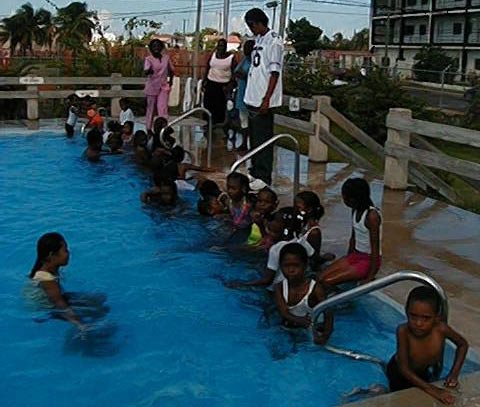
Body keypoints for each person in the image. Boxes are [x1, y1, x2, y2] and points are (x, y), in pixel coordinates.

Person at [386, 286, 468, 405]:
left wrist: (454, 374)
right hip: (399, 373)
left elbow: (463, 345)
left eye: (426, 318)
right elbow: (403, 368)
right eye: (413, 316)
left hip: (422, 372)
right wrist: (433, 389)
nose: (418, 323)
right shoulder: (403, 331)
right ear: (406, 312)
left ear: (436, 317)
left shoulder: (441, 329)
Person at [244, 8, 284, 190]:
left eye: (251, 25)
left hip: (263, 98)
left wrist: (267, 99)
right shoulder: (258, 40)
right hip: (252, 96)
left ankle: (264, 175)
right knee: (254, 138)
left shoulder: (274, 41)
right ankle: (255, 170)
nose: (250, 29)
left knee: (264, 138)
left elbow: (274, 73)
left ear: (259, 23)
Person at [319, 178, 382, 288]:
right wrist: (348, 259)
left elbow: (375, 249)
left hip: (367, 260)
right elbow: (353, 238)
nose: (343, 200)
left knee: (327, 281)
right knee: (320, 277)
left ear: (353, 199)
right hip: (356, 255)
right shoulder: (355, 210)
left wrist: (370, 277)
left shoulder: (372, 216)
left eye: (345, 197)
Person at [274, 243, 333, 345]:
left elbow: (328, 313)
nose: (291, 270)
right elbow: (283, 312)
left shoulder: (315, 288)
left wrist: (325, 336)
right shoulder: (279, 287)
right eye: (286, 266)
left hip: (314, 328)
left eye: (296, 266)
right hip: (292, 325)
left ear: (305, 266)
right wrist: (300, 320)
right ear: (280, 266)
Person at [29, 233, 84, 329]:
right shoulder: (47, 280)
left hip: (49, 301)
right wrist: (80, 325)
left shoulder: (46, 269)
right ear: (51, 255)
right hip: (44, 311)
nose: (68, 253)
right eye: (65, 250)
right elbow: (61, 306)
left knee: (97, 301)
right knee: (94, 314)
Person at [294, 191, 335, 271]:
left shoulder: (314, 232)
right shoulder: (302, 223)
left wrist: (324, 258)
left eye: (298, 207)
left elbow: (314, 259)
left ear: (309, 209)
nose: (296, 210)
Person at [203, 38, 236, 125]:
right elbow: (207, 67)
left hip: (223, 85)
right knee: (208, 104)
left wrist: (230, 85)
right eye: (219, 45)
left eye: (222, 46)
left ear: (226, 47)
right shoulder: (213, 55)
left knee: (219, 106)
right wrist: (204, 80)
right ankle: (208, 122)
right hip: (211, 83)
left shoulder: (231, 57)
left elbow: (234, 72)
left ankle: (218, 124)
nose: (220, 48)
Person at [144, 39, 175, 132]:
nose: (156, 48)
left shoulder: (166, 58)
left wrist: (171, 81)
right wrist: (149, 70)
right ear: (151, 48)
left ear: (161, 47)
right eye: (154, 46)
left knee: (162, 108)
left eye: (158, 46)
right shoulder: (148, 59)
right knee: (151, 108)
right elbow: (146, 70)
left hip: (163, 86)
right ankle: (149, 128)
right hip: (152, 86)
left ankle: (163, 128)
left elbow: (171, 70)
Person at [234, 39, 255, 151]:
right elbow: (237, 72)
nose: (245, 50)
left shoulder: (254, 62)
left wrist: (243, 74)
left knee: (252, 121)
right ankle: (244, 143)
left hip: (251, 94)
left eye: (248, 48)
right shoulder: (244, 60)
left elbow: (248, 74)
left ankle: (252, 143)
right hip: (241, 92)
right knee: (243, 120)